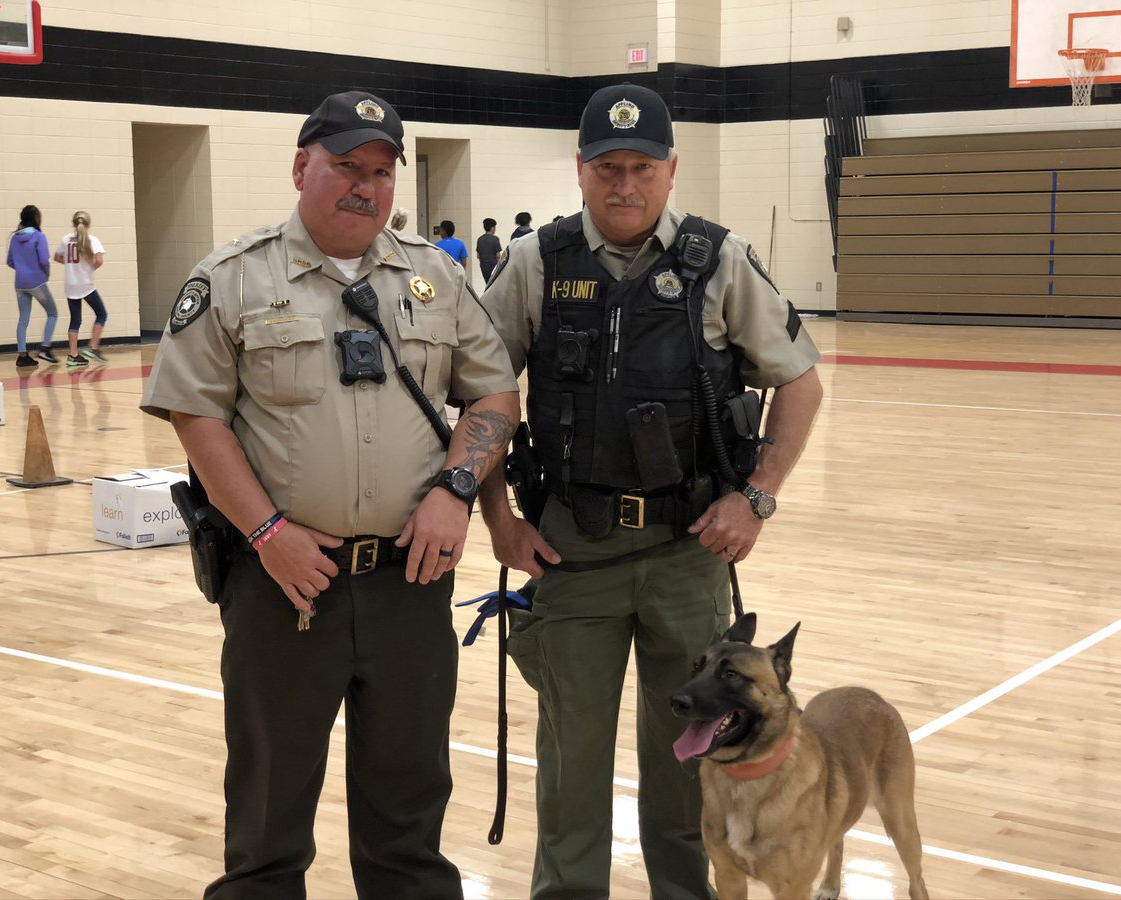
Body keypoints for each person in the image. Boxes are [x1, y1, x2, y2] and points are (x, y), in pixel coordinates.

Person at [140, 89, 520, 899]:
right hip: (284, 587)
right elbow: (194, 414)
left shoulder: (434, 280)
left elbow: (493, 396)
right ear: (301, 168)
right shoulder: (233, 279)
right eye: (348, 167)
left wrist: (456, 490)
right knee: (268, 822)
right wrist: (268, 532)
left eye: (383, 172)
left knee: (410, 819)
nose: (367, 187)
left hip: (409, 586)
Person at [478, 83, 823, 900]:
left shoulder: (720, 260)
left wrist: (757, 497)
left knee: (689, 764)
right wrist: (496, 518)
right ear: (581, 171)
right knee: (570, 765)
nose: (623, 185)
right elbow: (482, 393)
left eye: (640, 167)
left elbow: (801, 382)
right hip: (573, 548)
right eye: (607, 167)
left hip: (687, 550)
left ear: (670, 172)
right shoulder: (536, 261)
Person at [53, 210, 109, 368]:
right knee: (101, 314)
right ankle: (93, 347)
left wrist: (71, 265)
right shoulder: (92, 240)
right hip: (85, 284)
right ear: (88, 224)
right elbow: (99, 260)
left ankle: (73, 355)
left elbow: (57, 257)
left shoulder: (66, 239)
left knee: (75, 320)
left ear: (73, 223)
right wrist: (89, 267)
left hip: (70, 284)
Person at [6, 205, 59, 367]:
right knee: (52, 313)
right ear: (36, 218)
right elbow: (44, 260)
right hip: (37, 281)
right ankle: (45, 347)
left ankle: (22, 355)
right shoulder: (38, 236)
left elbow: (10, 261)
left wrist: (22, 270)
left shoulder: (15, 237)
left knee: (23, 319)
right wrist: (45, 273)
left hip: (20, 283)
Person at [475, 217, 501, 285]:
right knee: (494, 284)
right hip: (493, 265)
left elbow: (478, 256)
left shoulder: (480, 239)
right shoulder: (495, 239)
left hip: (483, 265)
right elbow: (498, 255)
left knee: (487, 283)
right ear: (492, 228)